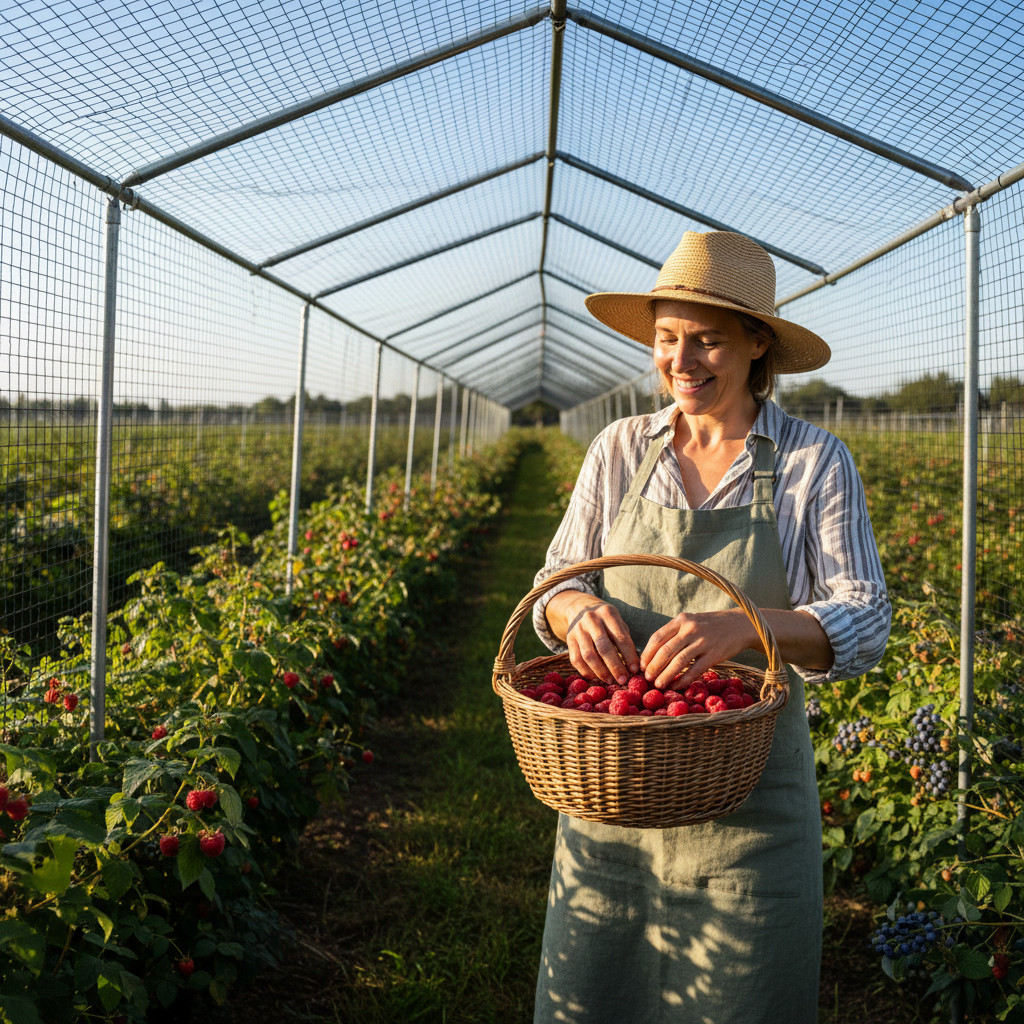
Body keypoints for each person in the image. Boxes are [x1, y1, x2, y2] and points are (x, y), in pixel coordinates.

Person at [530, 230, 891, 1024]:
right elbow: (556, 580)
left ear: (758, 343)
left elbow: (866, 615)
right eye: (667, 338)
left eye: (708, 341)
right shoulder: (620, 449)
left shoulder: (812, 461)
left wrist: (745, 626)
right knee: (597, 988)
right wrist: (575, 609)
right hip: (614, 788)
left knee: (743, 998)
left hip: (750, 803)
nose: (681, 361)